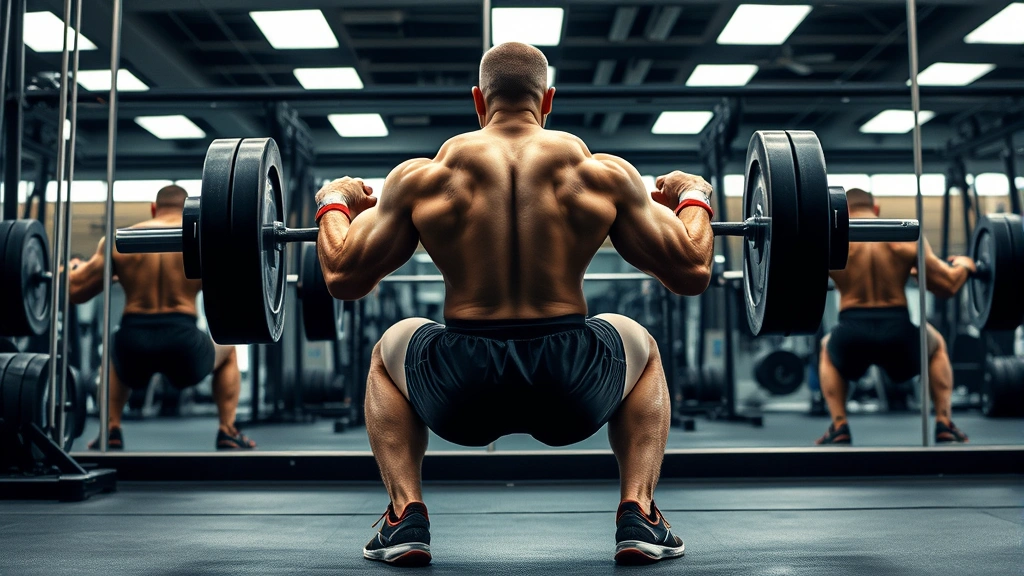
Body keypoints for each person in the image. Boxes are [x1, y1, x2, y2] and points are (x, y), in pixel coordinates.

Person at [315, 42, 714, 566]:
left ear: (479, 100)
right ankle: (639, 512)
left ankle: (404, 515)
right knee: (639, 341)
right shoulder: (601, 174)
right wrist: (693, 193)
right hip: (573, 387)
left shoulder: (422, 179)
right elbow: (692, 271)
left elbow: (342, 275)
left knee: (391, 345)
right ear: (547, 100)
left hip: (460, 389)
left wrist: (334, 201)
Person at [68, 185, 255, 451]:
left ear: (153, 209)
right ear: (189, 208)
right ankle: (227, 430)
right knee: (229, 351)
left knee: (114, 351)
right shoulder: (201, 239)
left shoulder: (119, 239)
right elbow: (234, 286)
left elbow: (76, 292)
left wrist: (68, 269)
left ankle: (110, 429)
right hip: (183, 342)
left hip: (133, 340)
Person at [816, 188, 974, 445]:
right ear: (876, 208)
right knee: (935, 346)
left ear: (842, 210)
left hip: (851, 329)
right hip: (898, 329)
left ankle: (839, 424)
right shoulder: (904, 233)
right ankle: (944, 422)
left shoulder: (830, 239)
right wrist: (966, 265)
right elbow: (948, 285)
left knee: (827, 348)